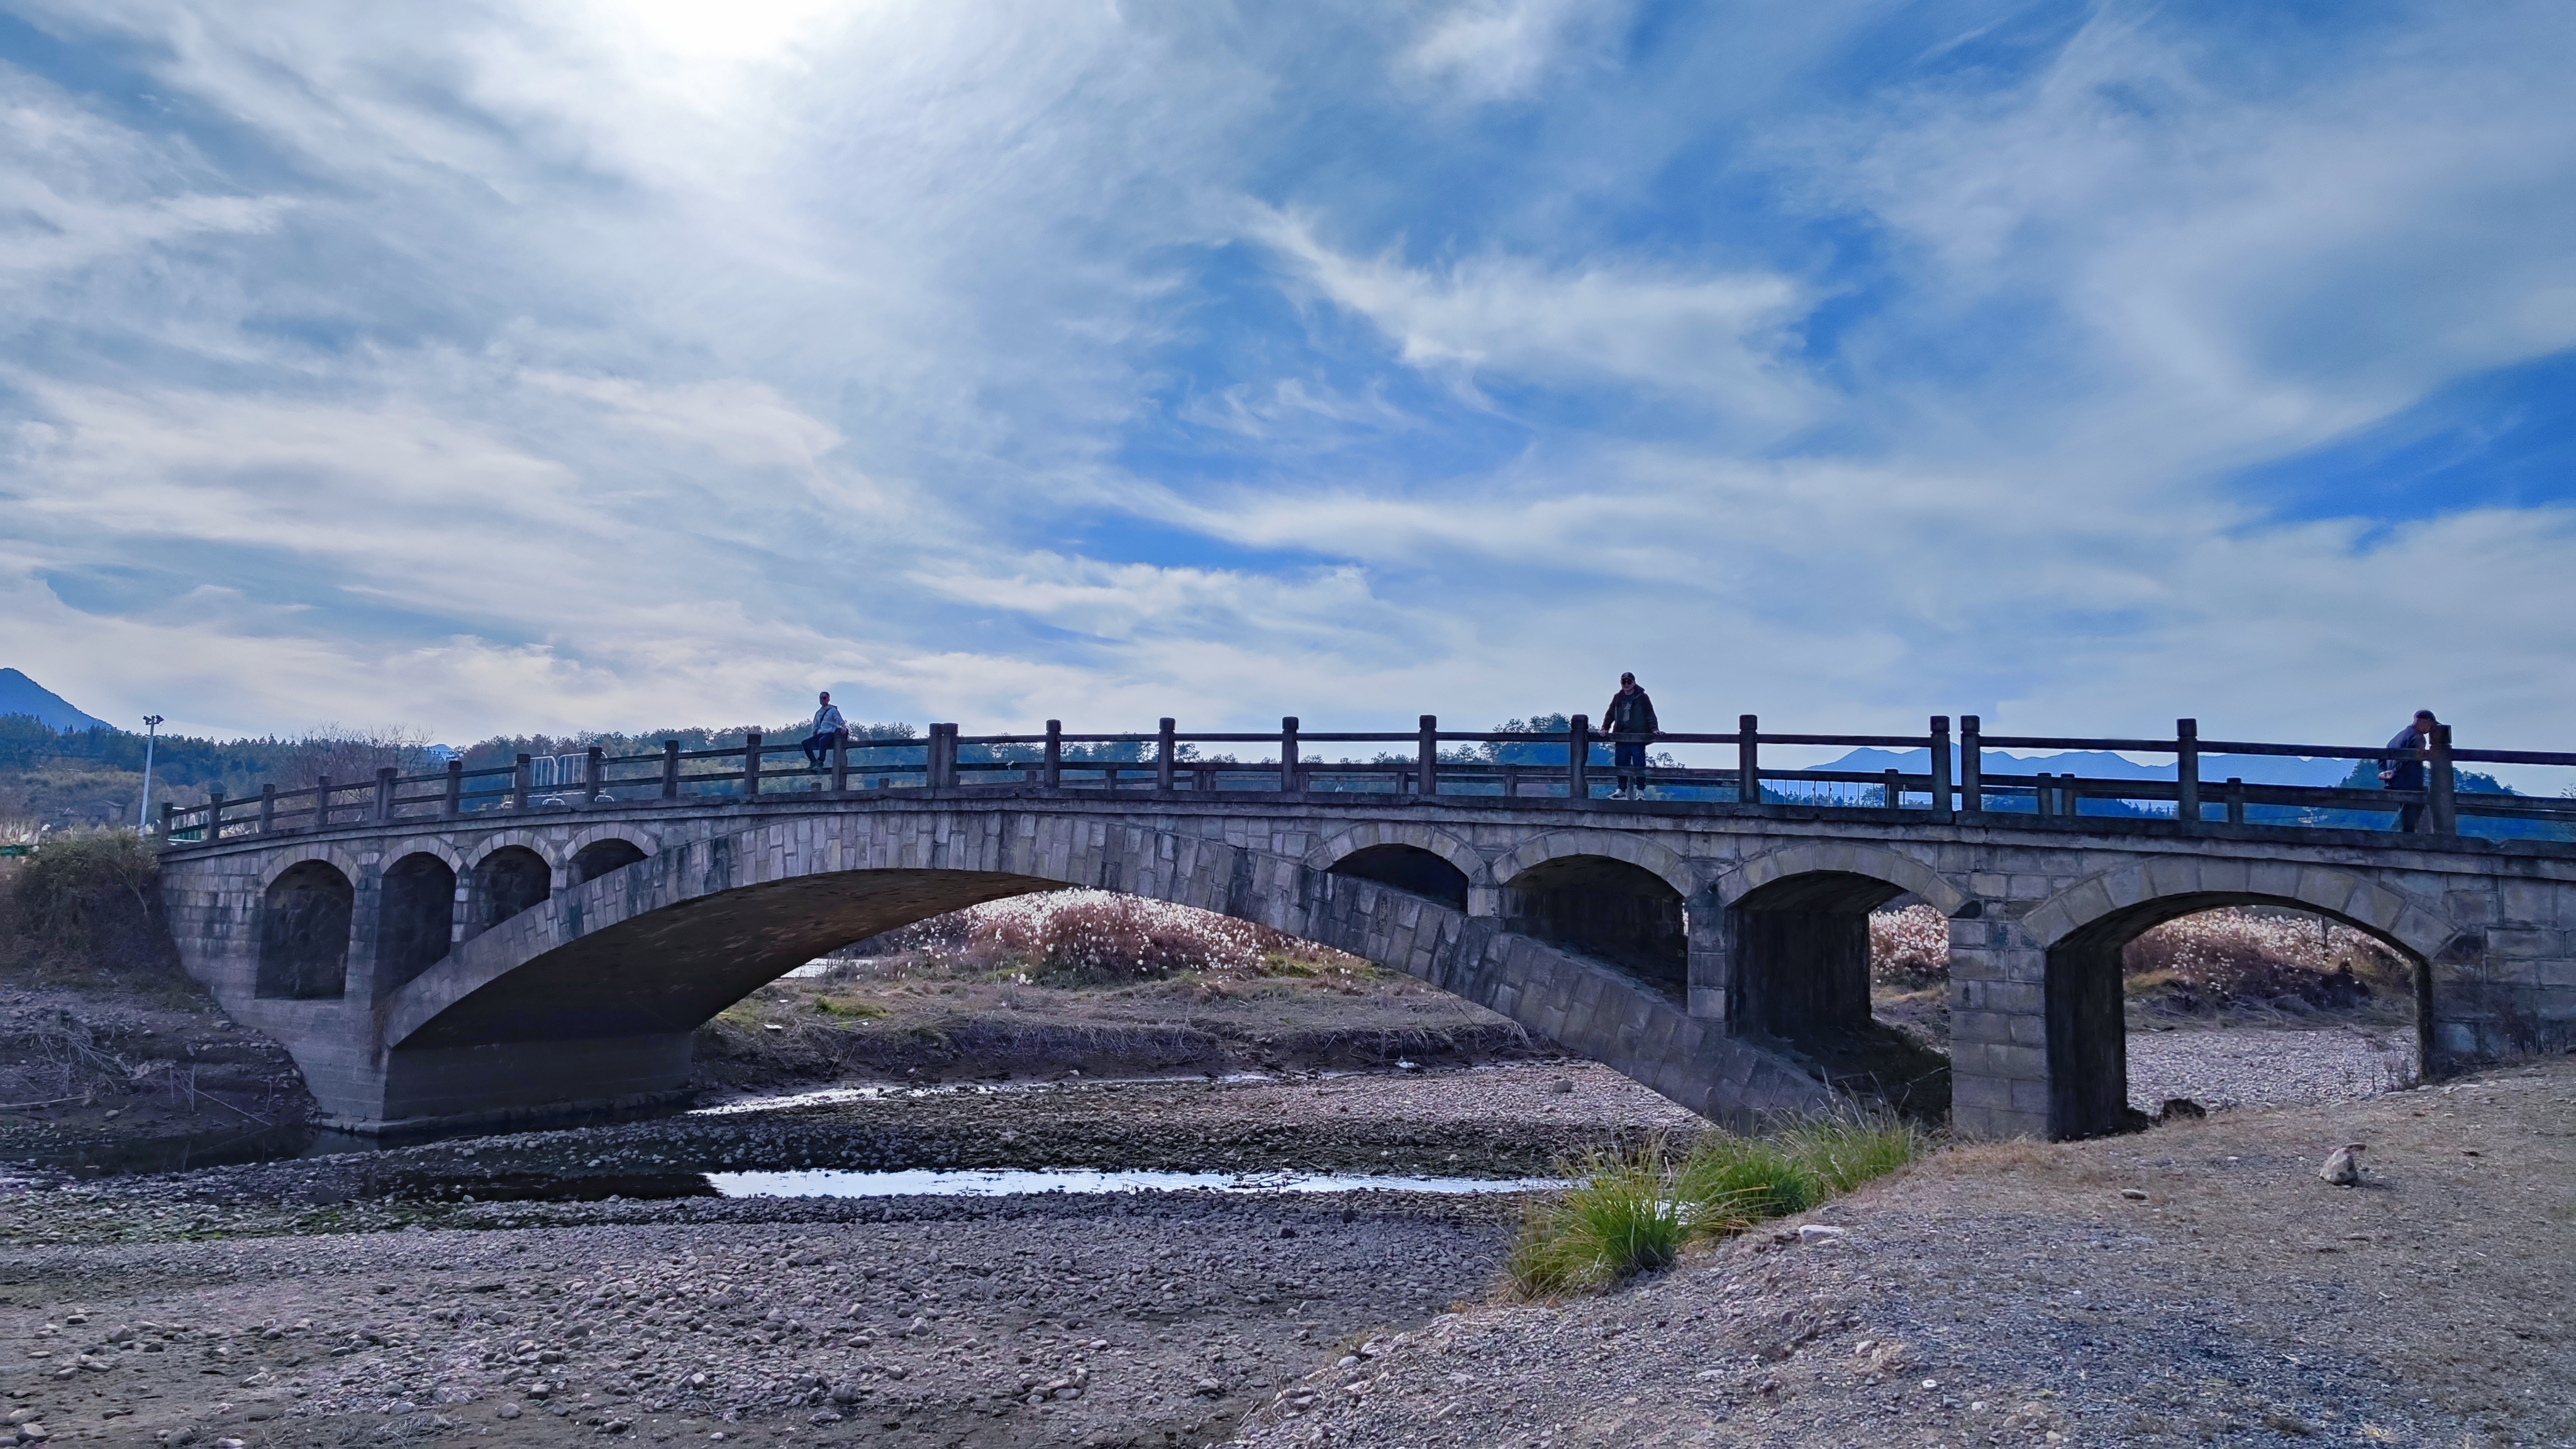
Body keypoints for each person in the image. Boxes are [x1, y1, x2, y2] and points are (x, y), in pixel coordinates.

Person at [1602, 672, 1659, 799]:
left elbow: (1650, 714)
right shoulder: (1618, 697)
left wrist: (1654, 729)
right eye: (1624, 682)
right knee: (1621, 763)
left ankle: (1640, 791)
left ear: (1634, 683)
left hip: (1637, 736)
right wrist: (1605, 728)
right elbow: (1610, 714)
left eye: (1629, 681)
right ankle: (1621, 791)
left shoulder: (1642, 697)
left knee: (1639, 763)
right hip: (1621, 736)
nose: (1626, 684)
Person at [2379, 709, 2437, 831]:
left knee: (2404, 815)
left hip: (2394, 783)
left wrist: (2385, 772)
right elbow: (2410, 760)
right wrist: (2396, 772)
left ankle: (2398, 835)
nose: (2430, 730)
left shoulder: (2397, 737)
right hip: (2410, 782)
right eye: (2430, 726)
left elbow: (2382, 757)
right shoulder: (2418, 737)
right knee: (2410, 821)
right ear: (2425, 721)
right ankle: (2401, 838)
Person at [802, 691, 848, 772]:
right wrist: (814, 734)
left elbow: (839, 719)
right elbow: (816, 725)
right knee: (805, 743)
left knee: (822, 740)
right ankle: (813, 762)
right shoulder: (818, 713)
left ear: (828, 699)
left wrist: (843, 726)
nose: (822, 700)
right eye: (821, 698)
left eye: (824, 698)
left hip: (831, 734)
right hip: (821, 733)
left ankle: (820, 762)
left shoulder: (833, 710)